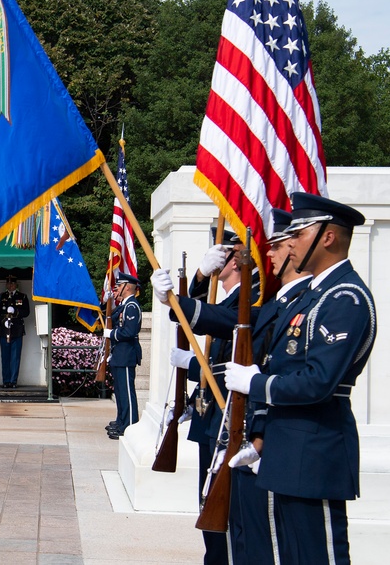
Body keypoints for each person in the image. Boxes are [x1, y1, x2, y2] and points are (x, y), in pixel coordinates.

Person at [224, 193, 375, 565]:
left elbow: (318, 381)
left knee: (317, 555)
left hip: (316, 446)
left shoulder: (345, 297)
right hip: (290, 444)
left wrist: (255, 384)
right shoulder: (314, 295)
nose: (290, 243)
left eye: (299, 233)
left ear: (328, 237)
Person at [154, 210, 310, 565]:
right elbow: (207, 310)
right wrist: (195, 277)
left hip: (230, 411)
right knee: (211, 506)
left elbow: (227, 339)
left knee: (229, 517)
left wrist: (191, 363)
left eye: (222, 252)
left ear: (239, 259)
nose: (216, 257)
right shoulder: (233, 296)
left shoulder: (253, 299)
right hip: (212, 410)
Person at [103, 272, 143, 439]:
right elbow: (111, 316)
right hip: (120, 355)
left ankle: (130, 426)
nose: (117, 288)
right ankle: (122, 421)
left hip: (126, 355)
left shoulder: (132, 306)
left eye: (119, 286)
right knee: (120, 392)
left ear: (127, 287)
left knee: (127, 392)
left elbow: (129, 331)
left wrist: (111, 334)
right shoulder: (124, 305)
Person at [0, 275, 30, 389]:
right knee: (5, 357)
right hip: (4, 330)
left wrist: (16, 311)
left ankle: (13, 381)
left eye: (12, 283)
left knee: (15, 357)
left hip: (17, 330)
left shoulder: (22, 297)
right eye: (8, 283)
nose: (10, 285)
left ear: (16, 284)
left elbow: (27, 311)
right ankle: (6, 381)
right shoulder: (0, 297)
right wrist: (3, 321)